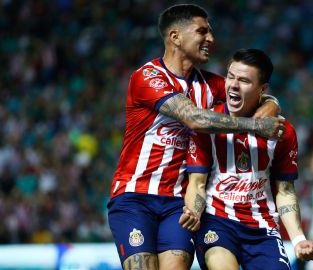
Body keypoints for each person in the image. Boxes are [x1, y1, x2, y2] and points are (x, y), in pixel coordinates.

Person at [107, 5, 284, 270]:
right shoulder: (148, 77)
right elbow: (195, 119)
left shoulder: (210, 84)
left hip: (179, 203)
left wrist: (272, 103)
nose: (211, 39)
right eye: (202, 31)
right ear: (175, 37)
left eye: (211, 32)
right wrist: (256, 126)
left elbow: (254, 93)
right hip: (134, 197)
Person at [179, 49, 313, 270]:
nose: (233, 85)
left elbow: (285, 191)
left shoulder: (282, 132)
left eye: (244, 80)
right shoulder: (208, 126)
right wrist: (194, 212)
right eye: (231, 76)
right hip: (217, 222)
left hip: (262, 228)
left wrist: (299, 239)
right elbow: (197, 182)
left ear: (262, 90)